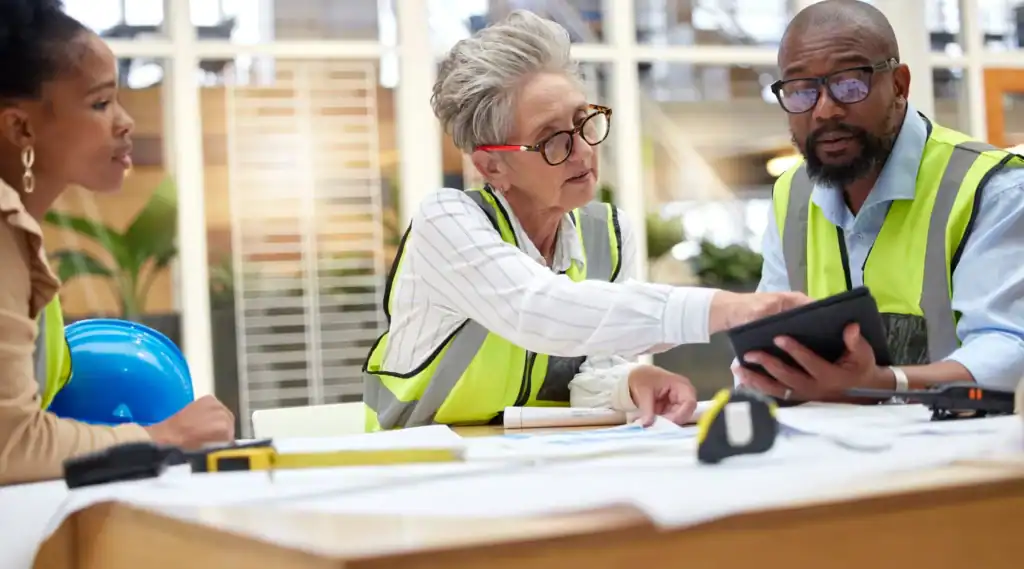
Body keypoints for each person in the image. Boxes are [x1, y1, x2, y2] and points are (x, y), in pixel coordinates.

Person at [362, 10, 811, 431]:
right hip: (413, 458)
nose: (582, 150)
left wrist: (628, 383)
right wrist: (727, 308)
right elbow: (539, 309)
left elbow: (587, 371)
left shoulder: (607, 235)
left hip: (522, 457)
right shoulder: (447, 221)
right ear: (492, 166)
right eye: (552, 139)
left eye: (584, 122)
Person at [734, 0, 1024, 403]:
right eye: (801, 91)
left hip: (963, 452)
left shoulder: (992, 187)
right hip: (830, 452)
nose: (824, 110)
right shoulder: (792, 194)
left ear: (900, 86)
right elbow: (772, 334)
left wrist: (885, 382)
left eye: (851, 84)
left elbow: (1010, 348)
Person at [0, 0, 234, 486]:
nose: (125, 122)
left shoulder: (22, 234)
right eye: (100, 103)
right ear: (21, 127)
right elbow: (10, 446)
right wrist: (162, 436)